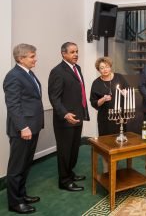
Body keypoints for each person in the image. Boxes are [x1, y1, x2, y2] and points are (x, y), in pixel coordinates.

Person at [3, 44, 44, 214]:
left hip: (32, 127)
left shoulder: (28, 73)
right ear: (21, 58)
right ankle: (15, 203)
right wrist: (23, 127)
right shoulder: (13, 76)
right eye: (32, 56)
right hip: (23, 129)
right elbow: (12, 105)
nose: (35, 59)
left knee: (26, 164)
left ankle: (21, 194)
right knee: (16, 167)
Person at [48, 42, 90, 192]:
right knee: (65, 151)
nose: (76, 54)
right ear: (63, 54)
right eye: (72, 52)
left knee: (74, 149)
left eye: (77, 51)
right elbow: (54, 97)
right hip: (65, 119)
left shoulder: (76, 68)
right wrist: (65, 113)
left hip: (77, 116)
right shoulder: (57, 71)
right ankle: (64, 181)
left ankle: (70, 173)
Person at [89, 57, 128, 171]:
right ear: (98, 70)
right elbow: (93, 103)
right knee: (106, 145)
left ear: (110, 67)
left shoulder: (119, 77)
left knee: (119, 143)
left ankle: (116, 167)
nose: (105, 69)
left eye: (106, 66)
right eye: (101, 68)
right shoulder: (96, 83)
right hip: (105, 119)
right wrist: (103, 99)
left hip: (119, 117)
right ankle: (107, 171)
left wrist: (125, 93)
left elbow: (128, 91)